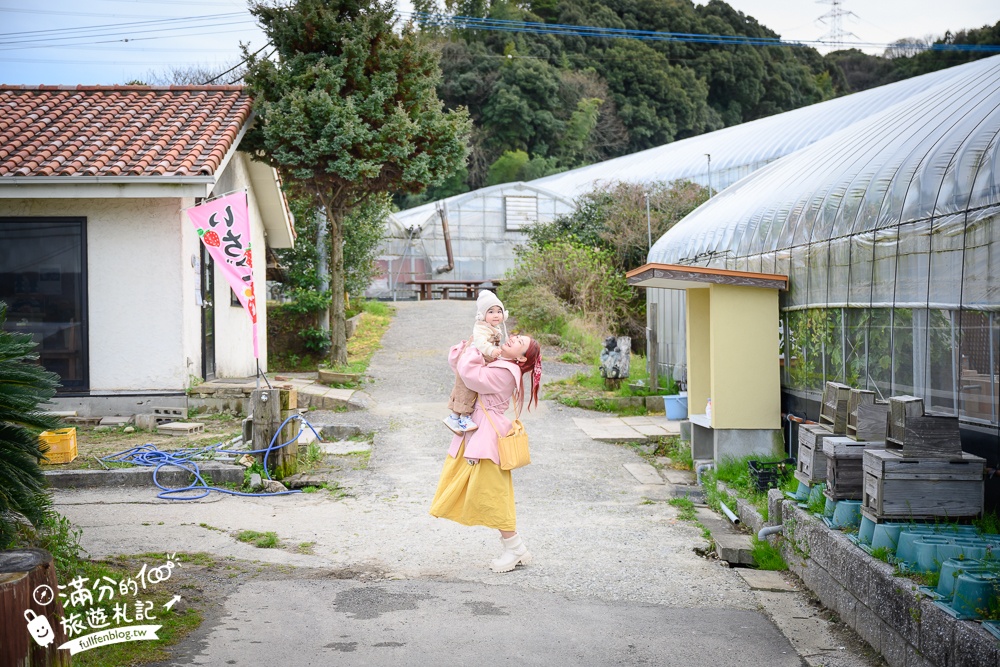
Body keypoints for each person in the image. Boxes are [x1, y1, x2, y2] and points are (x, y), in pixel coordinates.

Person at [430, 332, 542, 573]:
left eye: (520, 342)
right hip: (477, 435)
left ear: (522, 359)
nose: (513, 338)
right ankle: (515, 547)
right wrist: (472, 345)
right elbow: (461, 369)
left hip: (486, 440)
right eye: (517, 336)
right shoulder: (500, 361)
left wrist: (478, 349)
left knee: (494, 493)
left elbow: (472, 377)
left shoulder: (506, 372)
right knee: (488, 491)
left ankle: (515, 548)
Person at [443, 290, 509, 435]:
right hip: (472, 358)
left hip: (479, 359)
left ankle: (455, 417)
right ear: (482, 315)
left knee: (467, 385)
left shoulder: (494, 326)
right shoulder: (480, 326)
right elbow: (480, 342)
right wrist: (491, 350)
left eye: (499, 311)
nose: (496, 314)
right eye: (491, 311)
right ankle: (463, 416)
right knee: (467, 386)